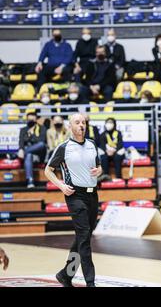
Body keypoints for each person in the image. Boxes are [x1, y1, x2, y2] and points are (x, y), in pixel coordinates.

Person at [44, 113, 102, 287]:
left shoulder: (92, 144)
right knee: (84, 237)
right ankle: (90, 282)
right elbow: (48, 170)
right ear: (70, 126)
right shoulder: (64, 147)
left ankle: (65, 275)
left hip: (93, 195)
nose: (81, 125)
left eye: (83, 122)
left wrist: (99, 170)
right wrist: (61, 186)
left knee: (82, 237)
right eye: (77, 122)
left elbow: (99, 166)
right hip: (75, 195)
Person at [18, 112, 47, 188]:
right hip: (28, 153)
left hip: (40, 153)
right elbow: (21, 141)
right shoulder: (23, 130)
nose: (31, 121)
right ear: (27, 120)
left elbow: (42, 140)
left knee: (41, 144)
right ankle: (30, 181)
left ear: (36, 119)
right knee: (29, 155)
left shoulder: (42, 128)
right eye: (29, 119)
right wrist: (21, 149)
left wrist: (31, 135)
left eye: (32, 119)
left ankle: (16, 155)